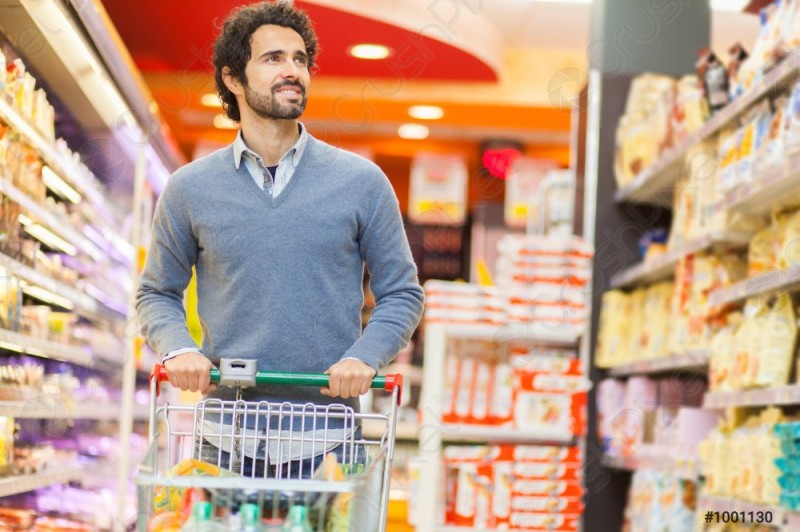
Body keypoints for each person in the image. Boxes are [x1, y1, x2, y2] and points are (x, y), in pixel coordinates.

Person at [135, 1, 424, 478]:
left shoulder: (362, 182)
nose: (293, 71)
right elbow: (156, 291)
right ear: (232, 78)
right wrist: (178, 348)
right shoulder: (190, 188)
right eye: (273, 59)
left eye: (300, 59)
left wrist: (364, 356)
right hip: (223, 440)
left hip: (327, 441)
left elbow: (403, 293)